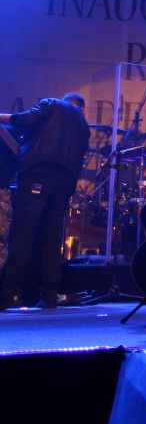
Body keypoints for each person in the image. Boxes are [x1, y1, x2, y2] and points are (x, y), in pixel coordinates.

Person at [0, 93, 91, 309]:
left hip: (39, 173)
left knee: (22, 234)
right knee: (51, 238)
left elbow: (25, 120)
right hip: (65, 181)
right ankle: (49, 295)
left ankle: (10, 293)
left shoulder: (52, 104)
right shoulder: (83, 126)